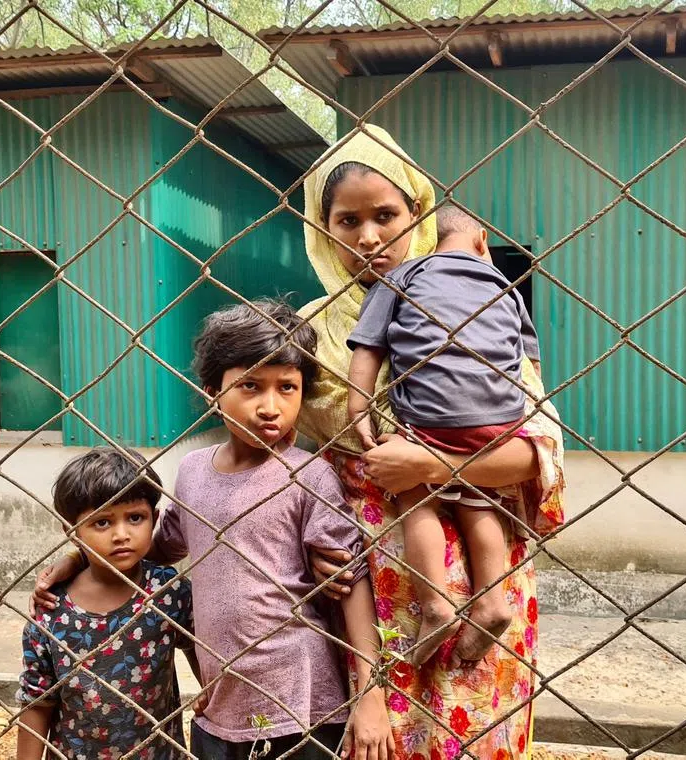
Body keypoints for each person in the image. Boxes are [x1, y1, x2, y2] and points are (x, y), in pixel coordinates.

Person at [299, 124, 566, 759]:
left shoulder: (480, 306)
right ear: (321, 228)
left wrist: (435, 463)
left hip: (485, 575)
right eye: (347, 221)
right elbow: (286, 455)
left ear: (417, 212)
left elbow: (539, 452)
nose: (368, 237)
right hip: (368, 578)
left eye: (386, 215)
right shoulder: (309, 333)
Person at [32, 300, 394, 760]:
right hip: (220, 706)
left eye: (288, 387)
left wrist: (369, 693)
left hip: (303, 703)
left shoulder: (310, 477)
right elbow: (158, 546)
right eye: (250, 386)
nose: (270, 407)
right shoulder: (193, 471)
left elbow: (352, 581)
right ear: (212, 393)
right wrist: (81, 557)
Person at [346, 204, 556, 666]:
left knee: (415, 496)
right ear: (483, 241)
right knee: (483, 500)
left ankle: (436, 602)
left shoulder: (402, 277)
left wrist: (358, 406)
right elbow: (530, 358)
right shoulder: (505, 286)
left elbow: (368, 349)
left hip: (427, 419)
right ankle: (493, 600)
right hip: (499, 420)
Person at [16, 447, 196, 760]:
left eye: (135, 518)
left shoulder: (168, 591)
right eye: (102, 523)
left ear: (154, 518)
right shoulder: (51, 612)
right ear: (72, 531)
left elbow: (196, 644)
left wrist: (210, 691)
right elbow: (37, 703)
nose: (121, 535)